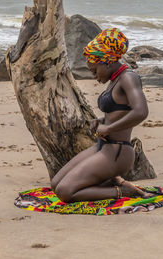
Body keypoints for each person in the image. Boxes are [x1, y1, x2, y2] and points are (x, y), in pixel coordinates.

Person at [51, 28, 151, 203]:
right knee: (55, 184)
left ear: (106, 62)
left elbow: (141, 111)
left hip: (117, 153)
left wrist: (109, 127)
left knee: (65, 192)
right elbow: (119, 112)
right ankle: (113, 182)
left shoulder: (128, 78)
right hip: (103, 148)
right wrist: (101, 121)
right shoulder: (115, 79)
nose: (94, 77)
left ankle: (123, 191)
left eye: (94, 71)